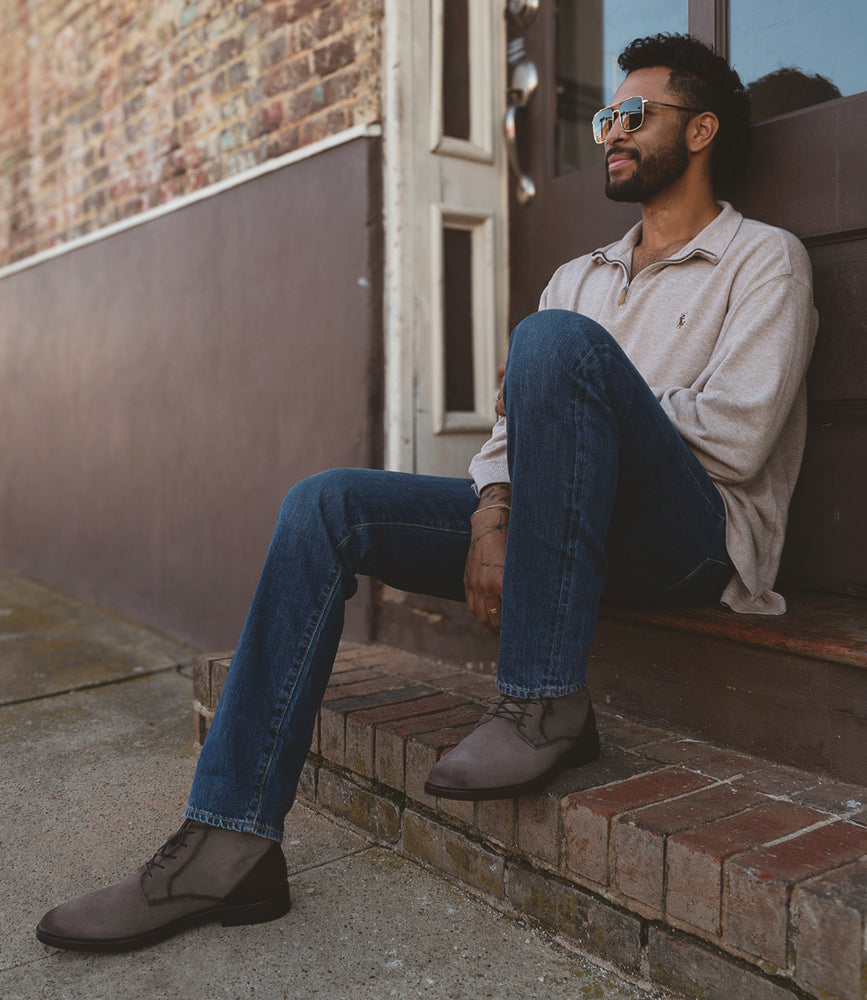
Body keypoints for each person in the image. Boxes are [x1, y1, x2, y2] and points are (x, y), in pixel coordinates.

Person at [36, 33, 817, 952]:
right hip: (552, 530)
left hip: (688, 540)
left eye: (632, 115)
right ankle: (229, 843)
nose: (609, 130)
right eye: (606, 115)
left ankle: (540, 699)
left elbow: (735, 435)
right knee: (326, 503)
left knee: (551, 347)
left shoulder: (764, 258)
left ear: (702, 130)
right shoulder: (579, 277)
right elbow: (506, 442)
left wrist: (577, 399)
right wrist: (493, 509)